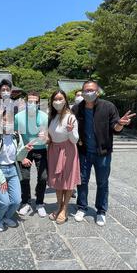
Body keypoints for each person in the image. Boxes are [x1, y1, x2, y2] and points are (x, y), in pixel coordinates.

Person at [71, 80, 136, 226]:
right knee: (82, 181)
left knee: (102, 182)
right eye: (86, 90)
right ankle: (82, 207)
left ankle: (101, 211)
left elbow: (116, 129)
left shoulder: (108, 107)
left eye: (91, 90)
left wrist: (120, 123)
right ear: (82, 92)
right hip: (83, 151)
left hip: (103, 152)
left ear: (97, 92)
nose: (89, 93)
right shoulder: (77, 109)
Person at [0, 112, 33, 232]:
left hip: (12, 169)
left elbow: (18, 157)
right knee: (4, 201)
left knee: (17, 200)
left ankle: (6, 217)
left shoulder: (16, 136)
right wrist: (1, 180)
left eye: (10, 121)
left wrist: (25, 150)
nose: (7, 123)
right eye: (5, 120)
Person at [47, 90, 81, 224]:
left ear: (65, 100)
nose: (58, 102)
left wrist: (70, 130)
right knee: (57, 181)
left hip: (67, 150)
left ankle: (64, 208)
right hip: (54, 150)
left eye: (60, 99)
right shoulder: (52, 116)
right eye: (55, 99)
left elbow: (75, 140)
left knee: (67, 180)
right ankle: (58, 205)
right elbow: (51, 133)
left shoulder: (70, 117)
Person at [14, 91, 49, 217]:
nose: (32, 104)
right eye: (30, 101)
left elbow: (49, 136)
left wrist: (45, 137)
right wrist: (21, 154)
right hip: (25, 149)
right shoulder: (18, 117)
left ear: (38, 103)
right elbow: (16, 135)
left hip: (41, 149)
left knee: (43, 177)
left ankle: (40, 202)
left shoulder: (45, 116)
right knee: (25, 177)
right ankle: (26, 202)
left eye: (35, 102)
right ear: (25, 102)